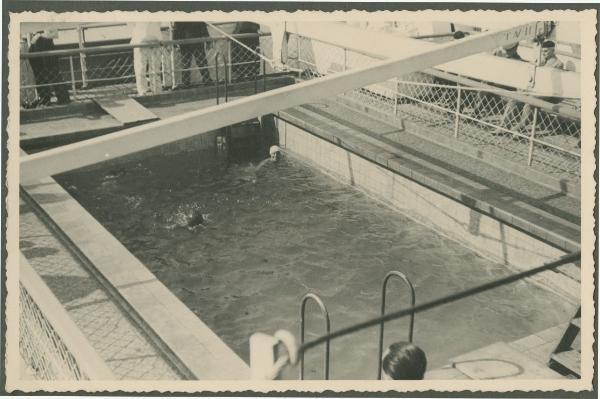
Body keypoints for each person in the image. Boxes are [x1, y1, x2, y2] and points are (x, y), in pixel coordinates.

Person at [508, 40, 565, 133]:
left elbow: (549, 83)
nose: (543, 53)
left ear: (553, 51)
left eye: (546, 51)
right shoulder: (541, 61)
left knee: (530, 101)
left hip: (549, 92)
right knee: (514, 98)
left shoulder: (558, 64)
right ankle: (505, 125)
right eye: (542, 51)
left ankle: (520, 127)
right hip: (536, 89)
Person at [469, 42, 523, 126]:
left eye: (509, 50)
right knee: (485, 85)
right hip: (496, 84)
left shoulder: (518, 61)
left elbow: (514, 81)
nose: (507, 52)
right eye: (506, 50)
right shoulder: (499, 56)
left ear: (516, 48)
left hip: (508, 88)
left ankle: (503, 125)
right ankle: (475, 113)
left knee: (488, 86)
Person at [28, 29, 71, 106]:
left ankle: (63, 98)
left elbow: (55, 34)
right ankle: (44, 99)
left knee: (53, 73)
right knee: (39, 75)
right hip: (35, 45)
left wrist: (39, 36)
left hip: (46, 44)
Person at [172, 22, 211, 87]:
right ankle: (206, 80)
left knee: (188, 64)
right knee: (199, 62)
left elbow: (176, 29)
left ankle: (186, 83)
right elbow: (202, 26)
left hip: (188, 42)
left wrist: (175, 43)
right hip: (192, 41)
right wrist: (208, 40)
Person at [130, 22, 163, 95]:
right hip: (139, 41)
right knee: (140, 68)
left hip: (155, 40)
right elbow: (131, 23)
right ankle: (142, 91)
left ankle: (157, 91)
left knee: (155, 68)